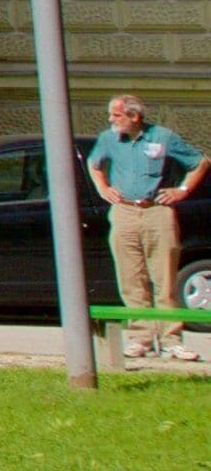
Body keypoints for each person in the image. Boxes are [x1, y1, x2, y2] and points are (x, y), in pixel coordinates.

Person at [85, 95, 205, 360]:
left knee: (164, 278)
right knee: (130, 278)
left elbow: (200, 162)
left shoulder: (162, 137)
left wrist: (182, 190)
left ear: (134, 117)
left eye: (116, 115)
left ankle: (172, 340)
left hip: (157, 212)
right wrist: (103, 188)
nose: (110, 120)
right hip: (124, 212)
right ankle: (141, 339)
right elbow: (94, 165)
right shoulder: (108, 139)